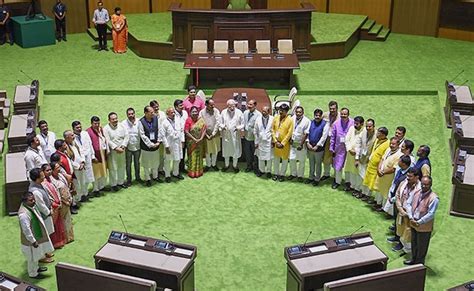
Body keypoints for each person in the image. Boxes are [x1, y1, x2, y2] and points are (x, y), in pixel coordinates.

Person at [18, 192, 54, 279]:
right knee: (31, 258)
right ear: (25, 201)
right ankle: (33, 274)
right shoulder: (23, 214)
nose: (34, 201)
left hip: (36, 236)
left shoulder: (31, 206)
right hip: (30, 241)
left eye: (33, 199)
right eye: (31, 200)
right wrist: (33, 241)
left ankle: (36, 268)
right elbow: (26, 230)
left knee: (37, 255)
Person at [404, 176, 439, 265]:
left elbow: (431, 214)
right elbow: (408, 203)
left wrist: (419, 222)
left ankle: (419, 265)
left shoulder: (434, 198)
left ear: (430, 185)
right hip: (413, 222)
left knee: (422, 247)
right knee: (414, 243)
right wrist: (411, 217)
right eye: (423, 184)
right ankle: (413, 260)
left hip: (424, 227)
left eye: (426, 185)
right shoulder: (416, 192)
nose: (424, 186)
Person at [388, 165, 419, 253]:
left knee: (407, 231)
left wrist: (407, 213)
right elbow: (398, 195)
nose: (408, 178)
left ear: (417, 177)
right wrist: (400, 208)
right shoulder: (403, 183)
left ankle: (406, 248)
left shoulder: (419, 189)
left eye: (410, 176)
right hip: (401, 210)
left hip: (410, 215)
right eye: (407, 176)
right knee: (400, 227)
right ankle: (400, 242)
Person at [28, 168, 55, 263]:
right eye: (42, 175)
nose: (44, 176)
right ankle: (41, 256)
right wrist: (49, 212)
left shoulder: (39, 184)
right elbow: (41, 205)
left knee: (46, 234)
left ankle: (46, 251)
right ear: (37, 178)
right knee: (42, 236)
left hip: (45, 215)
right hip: (41, 217)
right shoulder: (35, 191)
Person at [373, 137, 402, 211]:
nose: (391, 145)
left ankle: (383, 207)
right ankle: (378, 203)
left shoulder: (400, 155)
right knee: (379, 189)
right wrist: (379, 169)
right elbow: (382, 159)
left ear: (398, 145)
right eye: (391, 143)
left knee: (386, 192)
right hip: (381, 174)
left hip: (389, 176)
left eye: (393, 144)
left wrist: (383, 172)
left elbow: (394, 168)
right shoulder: (388, 149)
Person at [41, 164, 66, 249]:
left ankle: (60, 241)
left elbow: (56, 190)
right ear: (43, 172)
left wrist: (59, 200)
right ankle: (54, 244)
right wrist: (54, 204)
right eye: (47, 170)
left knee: (59, 224)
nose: (49, 172)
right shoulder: (43, 183)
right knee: (53, 226)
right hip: (53, 206)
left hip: (58, 203)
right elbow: (47, 196)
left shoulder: (51, 179)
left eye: (50, 170)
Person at [362, 127, 389, 204]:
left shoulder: (387, 144)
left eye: (379, 133)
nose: (377, 134)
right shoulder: (377, 140)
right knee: (367, 180)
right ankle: (365, 194)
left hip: (376, 166)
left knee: (373, 183)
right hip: (371, 163)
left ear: (383, 135)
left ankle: (370, 197)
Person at [104, 112, 129, 191]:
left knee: (122, 166)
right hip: (113, 152)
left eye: (116, 118)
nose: (115, 120)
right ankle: (113, 184)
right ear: (109, 120)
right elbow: (107, 140)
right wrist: (115, 148)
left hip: (122, 149)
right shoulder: (106, 128)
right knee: (113, 168)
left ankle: (120, 182)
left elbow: (127, 136)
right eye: (113, 119)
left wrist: (123, 145)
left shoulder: (122, 125)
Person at [50, 161, 74, 243]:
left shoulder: (60, 175)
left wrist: (69, 198)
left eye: (59, 167)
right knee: (62, 220)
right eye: (57, 168)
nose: (59, 169)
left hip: (67, 199)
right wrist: (64, 202)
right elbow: (56, 193)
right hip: (61, 202)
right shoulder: (52, 180)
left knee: (68, 219)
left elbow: (66, 185)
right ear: (52, 170)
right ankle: (64, 238)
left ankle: (70, 237)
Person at [330, 108, 354, 189]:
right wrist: (331, 148)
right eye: (342, 114)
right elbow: (333, 137)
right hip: (339, 148)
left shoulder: (353, 123)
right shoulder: (336, 123)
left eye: (345, 114)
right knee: (338, 166)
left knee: (348, 166)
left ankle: (348, 182)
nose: (343, 116)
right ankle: (337, 181)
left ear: (348, 114)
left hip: (349, 148)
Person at [138, 106, 162, 187]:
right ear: (145, 113)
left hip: (156, 145)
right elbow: (142, 135)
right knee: (146, 164)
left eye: (153, 112)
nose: (153, 113)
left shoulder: (156, 118)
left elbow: (159, 130)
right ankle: (148, 178)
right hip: (146, 148)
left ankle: (155, 177)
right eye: (151, 112)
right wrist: (151, 144)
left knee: (155, 162)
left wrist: (158, 141)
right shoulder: (141, 122)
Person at [64, 130, 89, 203]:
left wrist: (83, 161)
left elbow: (81, 151)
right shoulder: (65, 146)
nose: (74, 136)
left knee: (83, 181)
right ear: (67, 137)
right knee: (76, 184)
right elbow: (69, 159)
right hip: (75, 169)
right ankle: (75, 200)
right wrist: (78, 166)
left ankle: (82, 196)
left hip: (81, 165)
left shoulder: (75, 142)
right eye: (71, 135)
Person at [72, 121, 95, 196]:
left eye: (80, 127)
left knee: (88, 177)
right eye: (77, 128)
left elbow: (90, 144)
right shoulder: (72, 138)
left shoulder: (85, 133)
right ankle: (81, 195)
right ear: (73, 128)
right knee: (81, 180)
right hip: (79, 162)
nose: (79, 129)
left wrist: (93, 155)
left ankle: (86, 193)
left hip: (88, 158)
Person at [161, 108, 184, 182]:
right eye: (171, 112)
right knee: (167, 160)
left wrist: (182, 141)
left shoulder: (178, 120)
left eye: (174, 112)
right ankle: (167, 175)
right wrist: (166, 146)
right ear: (167, 114)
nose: (173, 114)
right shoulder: (164, 122)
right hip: (169, 144)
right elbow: (163, 135)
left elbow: (181, 130)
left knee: (177, 159)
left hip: (177, 143)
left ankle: (175, 173)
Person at [220, 99, 244, 173]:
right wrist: (223, 126)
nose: (231, 107)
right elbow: (220, 123)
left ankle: (235, 166)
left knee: (235, 152)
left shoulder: (239, 112)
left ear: (235, 105)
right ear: (227, 106)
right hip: (226, 135)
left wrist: (238, 128)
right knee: (226, 152)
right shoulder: (223, 112)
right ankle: (226, 165)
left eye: (233, 106)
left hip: (235, 135)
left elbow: (243, 124)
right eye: (230, 106)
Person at [272, 103, 294, 182]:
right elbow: (273, 130)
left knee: (284, 160)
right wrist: (275, 141)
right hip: (276, 143)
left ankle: (282, 174)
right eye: (280, 110)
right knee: (276, 159)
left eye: (283, 111)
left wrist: (283, 143)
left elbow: (289, 133)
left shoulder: (290, 120)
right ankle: (276, 173)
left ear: (287, 111)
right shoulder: (276, 118)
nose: (280, 112)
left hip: (285, 144)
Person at [355, 119, 376, 200]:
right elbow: (358, 144)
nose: (368, 128)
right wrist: (357, 158)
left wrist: (370, 159)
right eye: (367, 126)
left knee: (368, 178)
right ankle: (361, 191)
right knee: (361, 176)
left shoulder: (376, 136)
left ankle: (367, 194)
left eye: (370, 126)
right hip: (361, 158)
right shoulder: (363, 132)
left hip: (370, 161)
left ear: (374, 126)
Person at [87, 116, 108, 193]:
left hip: (103, 154)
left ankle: (102, 186)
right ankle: (96, 189)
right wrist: (92, 156)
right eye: (95, 123)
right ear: (91, 123)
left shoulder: (101, 129)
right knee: (96, 173)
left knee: (103, 171)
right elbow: (89, 145)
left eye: (98, 123)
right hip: (95, 156)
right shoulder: (88, 132)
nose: (97, 125)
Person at [344, 116, 365, 193]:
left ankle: (357, 188)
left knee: (356, 172)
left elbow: (363, 145)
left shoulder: (364, 132)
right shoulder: (351, 128)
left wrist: (356, 152)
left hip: (358, 156)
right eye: (355, 123)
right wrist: (349, 149)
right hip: (350, 154)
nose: (355, 125)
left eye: (357, 124)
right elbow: (347, 139)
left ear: (362, 124)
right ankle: (349, 185)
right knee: (349, 170)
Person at [185, 106, 207, 178]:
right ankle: (192, 173)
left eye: (196, 111)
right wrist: (194, 139)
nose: (195, 113)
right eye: (193, 112)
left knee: (199, 157)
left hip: (200, 142)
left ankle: (199, 172)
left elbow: (204, 129)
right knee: (192, 157)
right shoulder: (188, 120)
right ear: (190, 113)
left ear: (198, 112)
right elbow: (186, 131)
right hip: (191, 142)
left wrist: (200, 138)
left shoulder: (201, 120)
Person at [289, 106, 310, 182]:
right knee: (292, 159)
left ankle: (300, 175)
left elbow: (306, 134)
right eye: (297, 112)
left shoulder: (306, 121)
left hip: (301, 143)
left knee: (301, 161)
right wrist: (289, 139)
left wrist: (301, 144)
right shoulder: (292, 118)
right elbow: (289, 130)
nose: (298, 113)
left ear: (303, 113)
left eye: (300, 112)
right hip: (292, 142)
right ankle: (293, 174)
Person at [121, 108, 141, 186]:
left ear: (134, 113)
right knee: (128, 164)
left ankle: (138, 178)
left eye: (132, 113)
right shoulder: (123, 123)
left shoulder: (139, 121)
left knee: (137, 163)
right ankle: (129, 179)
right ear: (127, 115)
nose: (131, 115)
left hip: (138, 147)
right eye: (129, 114)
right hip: (128, 148)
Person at [200, 99, 221, 171]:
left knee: (215, 150)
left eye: (213, 104)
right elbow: (200, 124)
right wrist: (205, 134)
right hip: (205, 134)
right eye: (211, 105)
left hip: (215, 134)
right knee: (207, 151)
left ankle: (214, 164)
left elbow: (218, 122)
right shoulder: (202, 112)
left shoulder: (216, 111)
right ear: (206, 105)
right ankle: (208, 165)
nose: (213, 106)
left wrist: (213, 133)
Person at [322, 101, 340, 180]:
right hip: (327, 139)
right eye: (330, 109)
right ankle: (326, 174)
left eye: (334, 109)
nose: (332, 110)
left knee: (336, 158)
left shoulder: (340, 116)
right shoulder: (325, 115)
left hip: (337, 141)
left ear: (337, 108)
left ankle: (336, 177)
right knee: (326, 157)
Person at [254, 106, 274, 178]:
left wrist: (273, 141)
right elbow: (255, 131)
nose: (263, 112)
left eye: (265, 111)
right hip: (261, 142)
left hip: (269, 142)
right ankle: (261, 171)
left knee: (269, 158)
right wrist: (256, 142)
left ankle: (268, 171)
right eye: (262, 111)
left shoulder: (273, 119)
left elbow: (275, 131)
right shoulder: (258, 119)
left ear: (268, 112)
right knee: (260, 158)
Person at [242, 99, 261, 173]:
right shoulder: (245, 112)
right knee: (247, 153)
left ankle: (256, 167)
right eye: (248, 104)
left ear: (255, 106)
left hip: (254, 138)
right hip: (246, 137)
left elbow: (259, 128)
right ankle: (249, 166)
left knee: (255, 154)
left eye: (251, 105)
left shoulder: (259, 115)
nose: (248, 106)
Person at [174, 100, 188, 173]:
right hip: (177, 137)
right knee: (177, 153)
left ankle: (182, 167)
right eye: (180, 106)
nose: (182, 107)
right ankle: (177, 170)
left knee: (183, 152)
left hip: (185, 135)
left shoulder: (185, 113)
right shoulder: (173, 114)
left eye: (182, 105)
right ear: (176, 107)